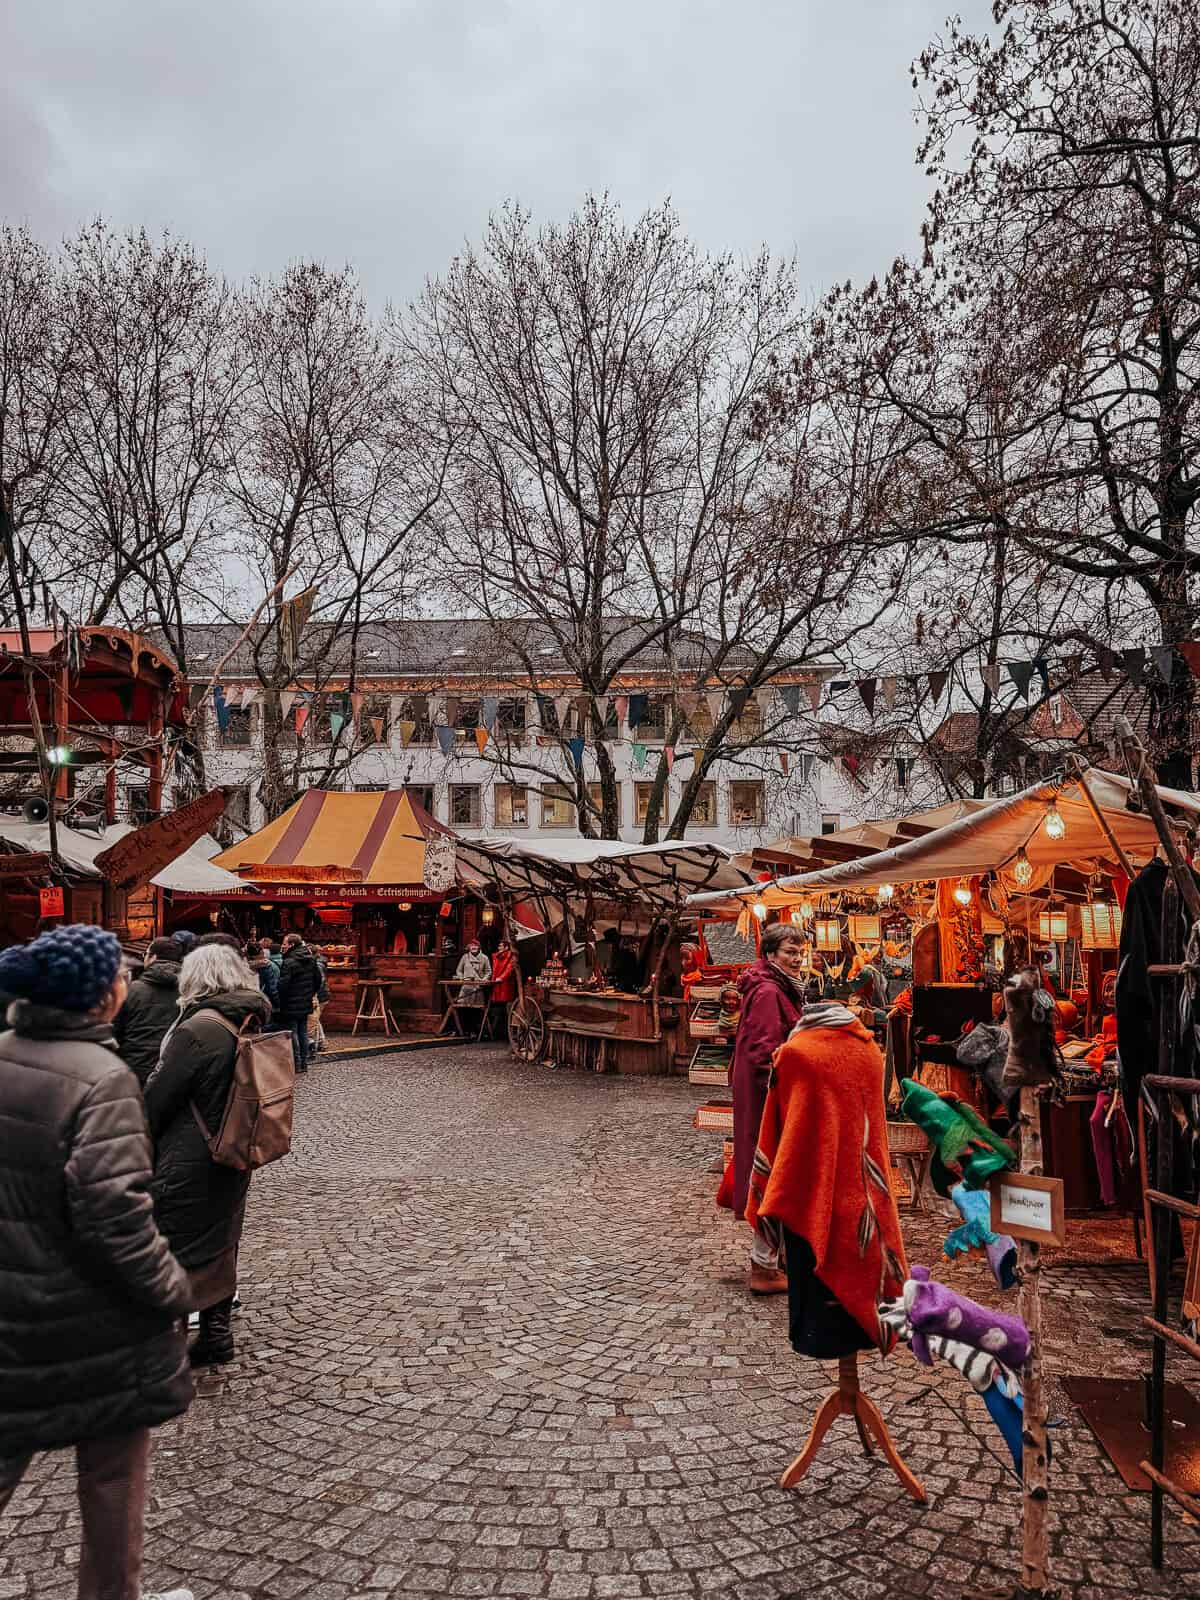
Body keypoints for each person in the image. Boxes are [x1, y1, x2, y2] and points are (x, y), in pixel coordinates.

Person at [0, 925, 195, 1600]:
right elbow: (115, 1216)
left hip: (9, 1316)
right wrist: (173, 1289)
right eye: (117, 973)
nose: (125, 983)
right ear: (96, 995)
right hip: (94, 1322)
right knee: (113, 1485)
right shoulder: (102, 1079)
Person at [144, 943, 272, 1367]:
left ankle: (168, 1342)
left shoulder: (197, 1029)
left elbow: (156, 1099)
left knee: (173, 1238)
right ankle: (216, 1331)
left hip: (189, 1152)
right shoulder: (248, 1019)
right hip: (235, 1146)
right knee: (220, 1237)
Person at [729, 921, 807, 1295]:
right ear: (771, 954)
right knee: (775, 1174)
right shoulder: (768, 993)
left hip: (766, 1096)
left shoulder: (774, 988)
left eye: (800, 952)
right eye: (790, 952)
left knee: (777, 1174)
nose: (797, 959)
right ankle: (763, 1266)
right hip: (767, 1099)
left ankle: (777, 1258)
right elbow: (765, 1053)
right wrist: (782, 1096)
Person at [113, 935, 184, 1087]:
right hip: (172, 1070)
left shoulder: (131, 990)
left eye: (145, 954)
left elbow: (114, 1032)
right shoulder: (189, 990)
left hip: (134, 1070)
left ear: (153, 958)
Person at [276, 932, 322, 1072]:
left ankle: (296, 1063)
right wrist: (310, 993)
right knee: (302, 1031)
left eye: (284, 943)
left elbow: (283, 985)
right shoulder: (310, 959)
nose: (282, 946)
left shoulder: (289, 961)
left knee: (294, 1032)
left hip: (290, 1002)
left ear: (291, 945)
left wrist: (281, 997)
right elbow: (318, 980)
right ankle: (304, 1062)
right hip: (305, 1000)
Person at [244, 939, 279, 1012]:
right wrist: (279, 1004)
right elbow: (272, 989)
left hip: (247, 1003)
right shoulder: (268, 966)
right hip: (263, 1003)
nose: (263, 954)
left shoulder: (241, 965)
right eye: (261, 953)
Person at [455, 939, 492, 1008]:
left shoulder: (484, 958)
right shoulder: (465, 957)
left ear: (479, 947)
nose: (473, 947)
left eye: (475, 945)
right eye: (471, 946)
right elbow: (459, 970)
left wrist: (484, 979)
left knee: (477, 1007)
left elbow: (488, 971)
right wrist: (462, 978)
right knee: (463, 1007)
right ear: (469, 947)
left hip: (478, 987)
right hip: (466, 986)